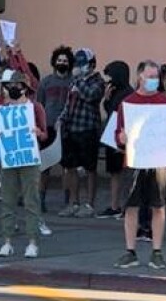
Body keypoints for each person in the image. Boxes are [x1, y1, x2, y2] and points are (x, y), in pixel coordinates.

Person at [114, 61, 166, 270]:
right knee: (131, 207)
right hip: (134, 162)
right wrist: (122, 138)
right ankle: (130, 251)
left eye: (155, 76)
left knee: (158, 207)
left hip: (159, 163)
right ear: (139, 77)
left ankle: (157, 251)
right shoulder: (127, 103)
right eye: (149, 76)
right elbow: (117, 134)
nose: (153, 80)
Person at [0, 70, 47, 258]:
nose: (12, 90)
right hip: (9, 158)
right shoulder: (2, 109)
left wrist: (37, 132)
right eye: (9, 87)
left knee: (30, 200)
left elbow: (45, 134)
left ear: (25, 88)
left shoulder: (35, 108)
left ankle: (33, 241)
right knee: (7, 200)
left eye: (17, 86)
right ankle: (7, 241)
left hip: (29, 158)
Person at [57, 48, 106, 218]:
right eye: (77, 64)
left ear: (92, 64)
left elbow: (91, 96)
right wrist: (61, 119)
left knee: (90, 168)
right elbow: (68, 102)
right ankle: (74, 202)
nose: (79, 67)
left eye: (83, 64)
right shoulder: (74, 81)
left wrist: (79, 82)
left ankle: (89, 204)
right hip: (71, 128)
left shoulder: (97, 81)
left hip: (88, 129)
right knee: (70, 167)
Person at [36, 45, 74, 214]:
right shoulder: (46, 82)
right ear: (54, 62)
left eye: (65, 61)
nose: (62, 63)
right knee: (44, 166)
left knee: (67, 167)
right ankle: (40, 199)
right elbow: (39, 105)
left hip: (68, 128)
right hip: (48, 128)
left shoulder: (74, 82)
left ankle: (67, 201)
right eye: (59, 60)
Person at [97, 61, 132, 219]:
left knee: (126, 174)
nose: (108, 79)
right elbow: (109, 111)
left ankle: (127, 207)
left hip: (123, 138)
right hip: (112, 135)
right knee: (114, 172)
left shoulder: (128, 93)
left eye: (110, 75)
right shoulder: (114, 91)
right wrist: (106, 99)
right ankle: (114, 205)